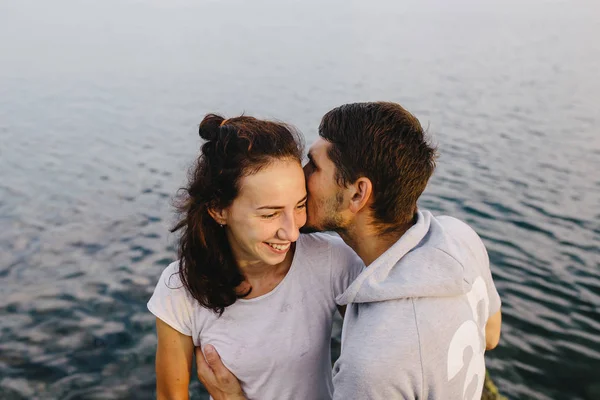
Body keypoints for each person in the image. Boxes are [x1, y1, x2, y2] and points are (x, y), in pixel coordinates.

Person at [198, 102, 502, 400]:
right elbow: (490, 336)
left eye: (314, 166)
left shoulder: (372, 366)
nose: (299, 176)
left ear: (357, 193)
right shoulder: (459, 235)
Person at [147, 114, 363, 400]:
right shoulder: (179, 288)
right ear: (219, 210)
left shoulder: (333, 261)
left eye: (299, 205)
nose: (291, 233)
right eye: (270, 213)